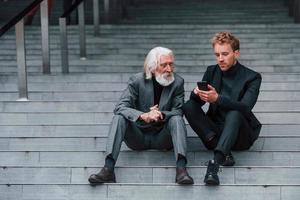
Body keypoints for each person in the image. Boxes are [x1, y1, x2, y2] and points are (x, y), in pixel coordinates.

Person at [88, 47, 194, 185]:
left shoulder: (177, 82)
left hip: (162, 138)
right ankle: (108, 168)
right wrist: (143, 116)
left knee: (177, 119)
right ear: (152, 67)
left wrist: (161, 114)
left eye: (171, 64)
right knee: (119, 117)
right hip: (138, 137)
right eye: (164, 65)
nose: (169, 69)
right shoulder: (137, 81)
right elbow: (120, 107)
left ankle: (181, 170)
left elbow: (178, 110)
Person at [183, 32, 262, 185]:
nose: (220, 59)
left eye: (225, 54)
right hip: (214, 133)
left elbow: (245, 107)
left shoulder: (252, 77)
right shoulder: (212, 71)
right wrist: (196, 93)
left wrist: (217, 99)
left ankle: (214, 165)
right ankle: (224, 153)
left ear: (236, 53)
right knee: (188, 106)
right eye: (217, 54)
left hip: (240, 135)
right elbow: (197, 104)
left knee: (235, 113)